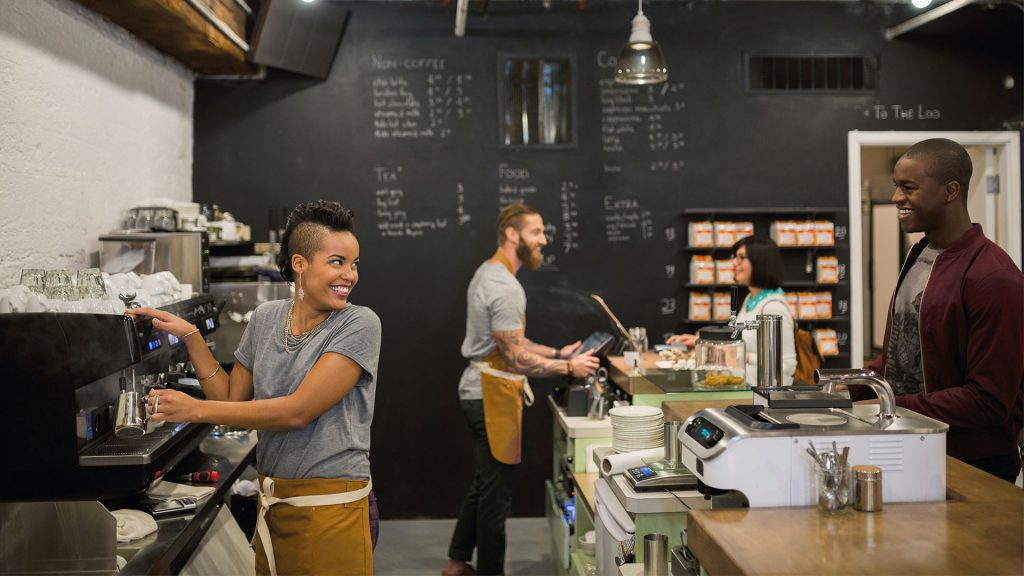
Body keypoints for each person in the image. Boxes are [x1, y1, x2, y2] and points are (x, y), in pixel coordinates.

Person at [129, 200, 381, 575]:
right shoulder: (266, 318)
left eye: (353, 263)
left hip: (332, 506)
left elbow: (297, 412)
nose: (350, 275)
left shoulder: (359, 324)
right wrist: (191, 336)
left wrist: (194, 409)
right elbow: (230, 400)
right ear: (299, 264)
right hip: (275, 502)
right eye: (337, 261)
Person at [444, 203, 601, 576]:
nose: (544, 240)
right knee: (496, 498)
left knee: (485, 484)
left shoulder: (490, 272)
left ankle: (456, 563)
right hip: (489, 395)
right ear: (513, 235)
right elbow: (514, 358)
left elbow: (510, 341)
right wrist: (568, 366)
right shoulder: (505, 287)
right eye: (537, 232)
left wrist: (555, 351)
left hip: (480, 390)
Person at [863, 137, 1023, 482]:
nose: (896, 198)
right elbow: (900, 359)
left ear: (951, 191)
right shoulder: (920, 255)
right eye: (895, 186)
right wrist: (835, 390)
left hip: (973, 465)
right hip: (913, 446)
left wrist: (887, 405)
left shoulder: (994, 277)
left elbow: (988, 400)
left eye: (909, 187)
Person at [667, 235, 797, 386]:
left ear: (761, 262)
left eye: (741, 257)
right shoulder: (751, 299)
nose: (734, 263)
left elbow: (786, 367)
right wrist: (701, 342)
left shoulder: (773, 307)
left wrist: (742, 356)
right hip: (739, 387)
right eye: (735, 257)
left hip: (759, 397)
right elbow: (737, 341)